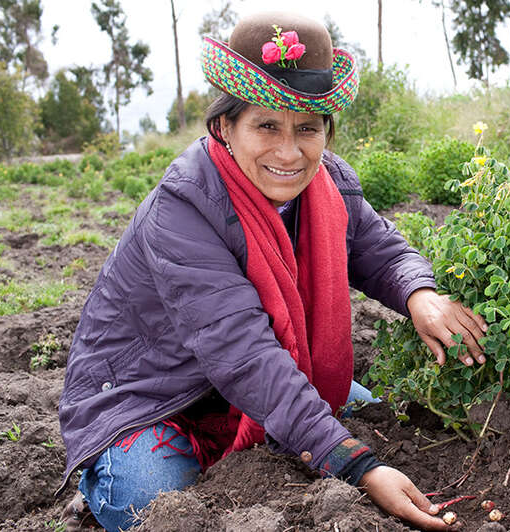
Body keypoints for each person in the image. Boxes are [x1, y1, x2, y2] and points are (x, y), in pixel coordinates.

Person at [58, 12, 487, 532]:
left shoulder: (330, 183)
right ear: (225, 127)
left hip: (262, 369)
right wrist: (359, 467)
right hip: (154, 392)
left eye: (307, 129)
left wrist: (420, 294)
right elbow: (242, 352)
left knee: (375, 416)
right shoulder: (182, 208)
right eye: (266, 125)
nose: (289, 152)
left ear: (326, 133)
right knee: (153, 500)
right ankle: (98, 479)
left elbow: (383, 253)